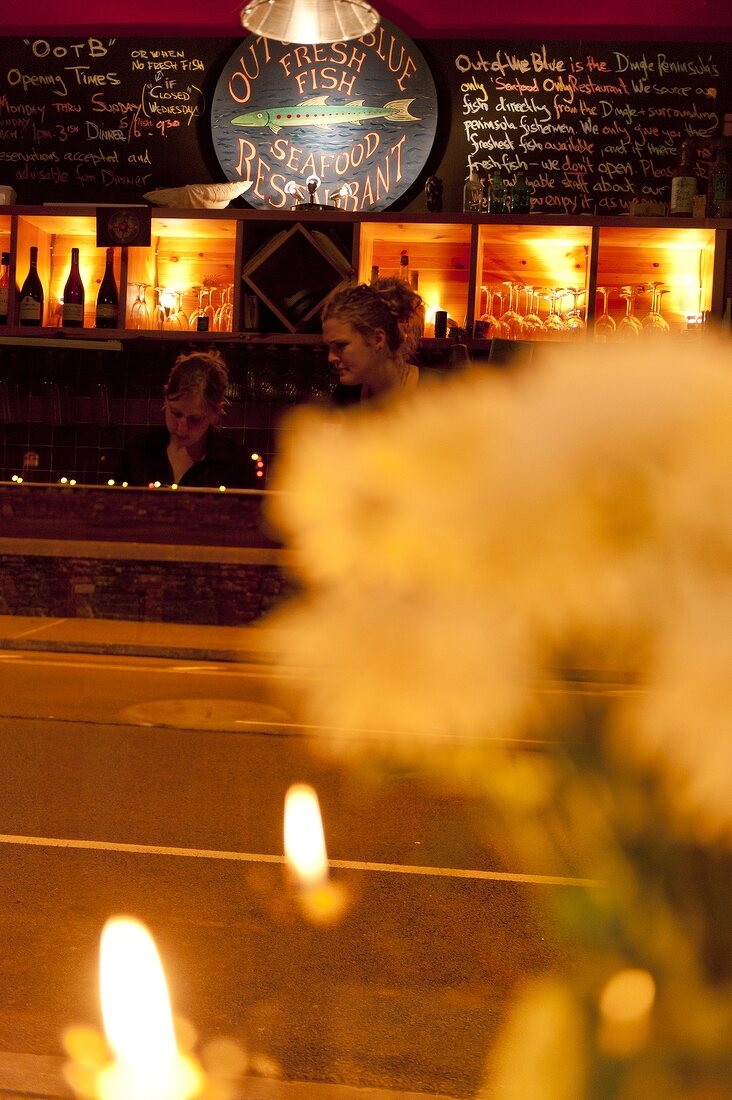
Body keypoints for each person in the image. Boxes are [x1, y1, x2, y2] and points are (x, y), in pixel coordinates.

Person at [115, 348, 260, 489]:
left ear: (216, 412)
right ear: (166, 397)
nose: (182, 428)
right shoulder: (137, 453)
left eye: (195, 419)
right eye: (176, 413)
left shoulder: (236, 463)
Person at [321, 276, 424, 406]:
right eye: (329, 347)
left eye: (341, 345)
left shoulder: (436, 392)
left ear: (378, 339)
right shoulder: (345, 397)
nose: (331, 358)